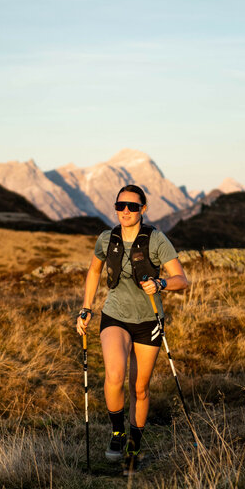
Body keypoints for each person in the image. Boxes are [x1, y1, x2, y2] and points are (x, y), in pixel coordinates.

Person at [75, 184, 190, 473]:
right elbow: (94, 271)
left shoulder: (156, 239)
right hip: (115, 315)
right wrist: (86, 308)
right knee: (114, 376)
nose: (126, 211)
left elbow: (181, 279)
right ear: (115, 207)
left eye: (133, 206)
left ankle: (134, 447)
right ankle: (117, 434)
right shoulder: (106, 238)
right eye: (120, 206)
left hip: (149, 319)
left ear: (143, 209)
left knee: (140, 389)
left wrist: (161, 283)